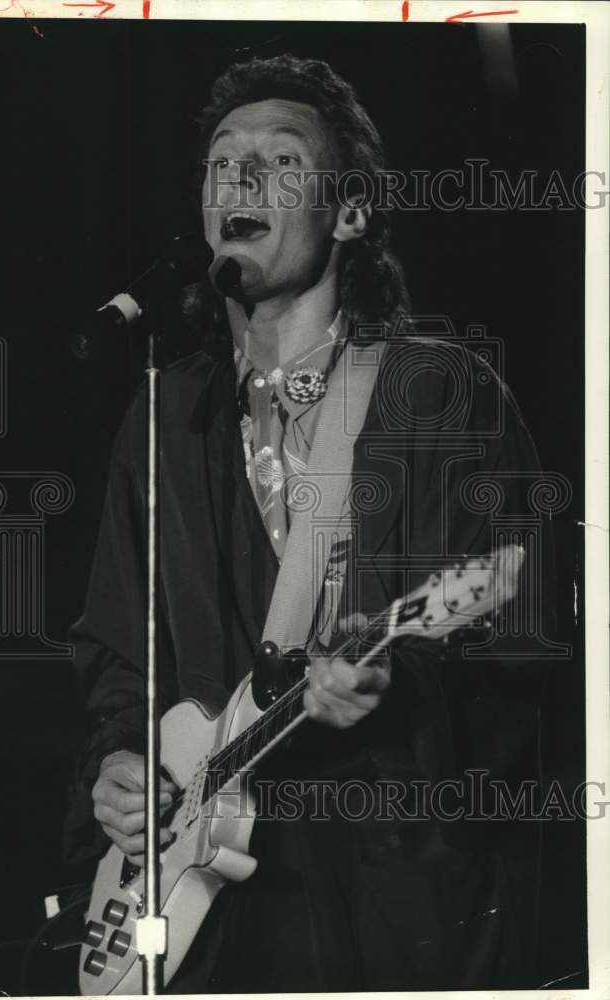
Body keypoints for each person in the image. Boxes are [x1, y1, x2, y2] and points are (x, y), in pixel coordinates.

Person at [64, 54, 552, 991]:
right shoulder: (166, 412)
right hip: (210, 911)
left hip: (391, 884)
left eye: (280, 161)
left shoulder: (436, 393)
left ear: (352, 211)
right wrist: (120, 758)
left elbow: (521, 628)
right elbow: (119, 647)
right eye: (220, 162)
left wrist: (398, 684)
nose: (238, 180)